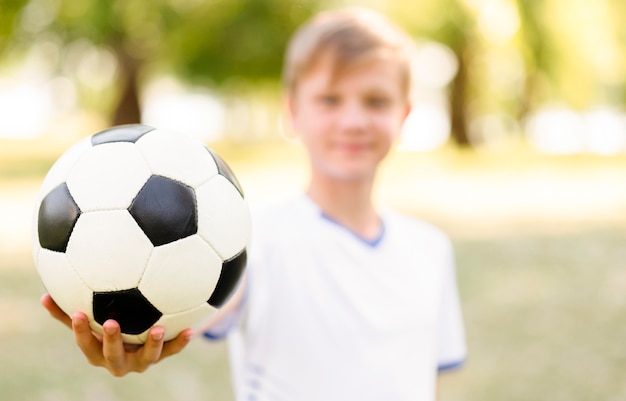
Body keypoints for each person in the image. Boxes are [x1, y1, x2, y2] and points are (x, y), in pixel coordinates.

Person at [42, 6, 466, 400]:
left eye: (375, 101)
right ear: (292, 111)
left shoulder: (430, 249)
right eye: (329, 99)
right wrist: (131, 343)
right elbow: (182, 308)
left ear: (405, 114)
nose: (353, 120)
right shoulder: (243, 241)